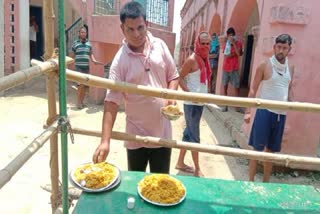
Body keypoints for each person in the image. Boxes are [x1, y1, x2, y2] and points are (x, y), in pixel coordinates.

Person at [92, 2, 179, 173]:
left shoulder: (160, 46)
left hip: (162, 135)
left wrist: (171, 97)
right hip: (135, 136)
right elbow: (111, 102)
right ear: (122, 29)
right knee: (135, 185)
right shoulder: (120, 61)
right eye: (130, 29)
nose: (136, 34)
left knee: (160, 186)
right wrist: (105, 141)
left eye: (140, 27)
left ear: (147, 24)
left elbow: (173, 76)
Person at [244, 34, 294, 182]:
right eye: (278, 47)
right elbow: (253, 89)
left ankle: (266, 182)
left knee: (271, 151)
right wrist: (248, 112)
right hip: (264, 112)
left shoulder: (291, 68)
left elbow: (288, 88)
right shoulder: (264, 65)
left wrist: (292, 101)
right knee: (257, 149)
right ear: (274, 47)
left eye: (284, 48)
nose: (281, 50)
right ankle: (250, 181)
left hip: (280, 114)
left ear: (289, 49)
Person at [175, 32, 212, 177]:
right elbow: (179, 78)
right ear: (197, 43)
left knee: (188, 133)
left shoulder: (205, 59)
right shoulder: (192, 60)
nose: (205, 46)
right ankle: (197, 168)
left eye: (208, 43)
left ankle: (179, 162)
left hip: (199, 103)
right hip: (191, 104)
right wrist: (190, 94)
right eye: (202, 43)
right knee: (195, 135)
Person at [70, 26, 103, 109]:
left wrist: (94, 61)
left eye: (84, 32)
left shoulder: (89, 44)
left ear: (86, 34)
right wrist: (69, 64)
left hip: (86, 68)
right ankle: (78, 103)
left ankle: (82, 102)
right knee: (80, 85)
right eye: (81, 32)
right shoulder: (75, 43)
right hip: (78, 67)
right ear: (79, 34)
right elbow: (72, 56)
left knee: (84, 86)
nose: (83, 34)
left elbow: (90, 54)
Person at [221, 27, 243, 112]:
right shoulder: (225, 44)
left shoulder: (239, 43)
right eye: (229, 35)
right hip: (226, 68)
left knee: (236, 87)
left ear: (234, 35)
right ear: (227, 36)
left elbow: (238, 54)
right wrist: (233, 54)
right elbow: (226, 55)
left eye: (232, 35)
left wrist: (233, 44)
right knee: (225, 87)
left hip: (234, 68)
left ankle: (237, 107)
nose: (231, 37)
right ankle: (225, 106)